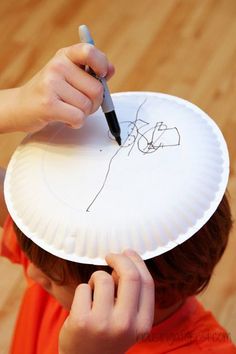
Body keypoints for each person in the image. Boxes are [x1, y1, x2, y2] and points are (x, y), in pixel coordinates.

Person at [0, 43, 236, 354]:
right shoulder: (66, 252)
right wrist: (16, 104)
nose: (31, 274)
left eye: (53, 279)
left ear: (118, 288)